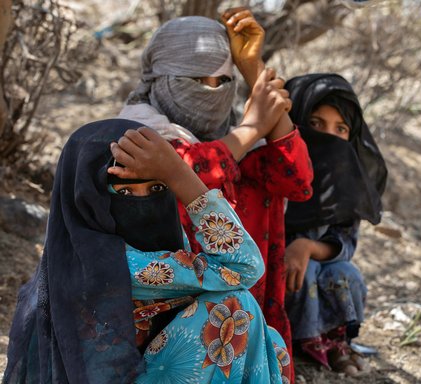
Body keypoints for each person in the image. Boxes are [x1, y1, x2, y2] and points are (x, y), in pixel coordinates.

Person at [3, 118, 292, 383]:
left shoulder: (72, 257)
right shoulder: (116, 265)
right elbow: (244, 267)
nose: (142, 205)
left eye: (157, 190)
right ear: (85, 199)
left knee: (267, 341)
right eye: (125, 192)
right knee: (233, 308)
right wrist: (179, 173)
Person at [117, 11, 313, 375]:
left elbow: (296, 179)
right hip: (171, 328)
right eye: (197, 79)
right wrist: (252, 129)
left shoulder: (240, 143)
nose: (213, 89)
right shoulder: (134, 135)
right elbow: (183, 169)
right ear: (160, 78)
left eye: (224, 80)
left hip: (245, 312)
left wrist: (252, 67)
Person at [282, 74, 388, 376]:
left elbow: (346, 242)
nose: (328, 136)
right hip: (272, 271)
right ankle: (289, 342)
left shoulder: (345, 182)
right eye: (315, 124)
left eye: (340, 129)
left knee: (344, 273)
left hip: (315, 264)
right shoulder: (273, 167)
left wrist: (307, 246)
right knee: (304, 271)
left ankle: (331, 341)